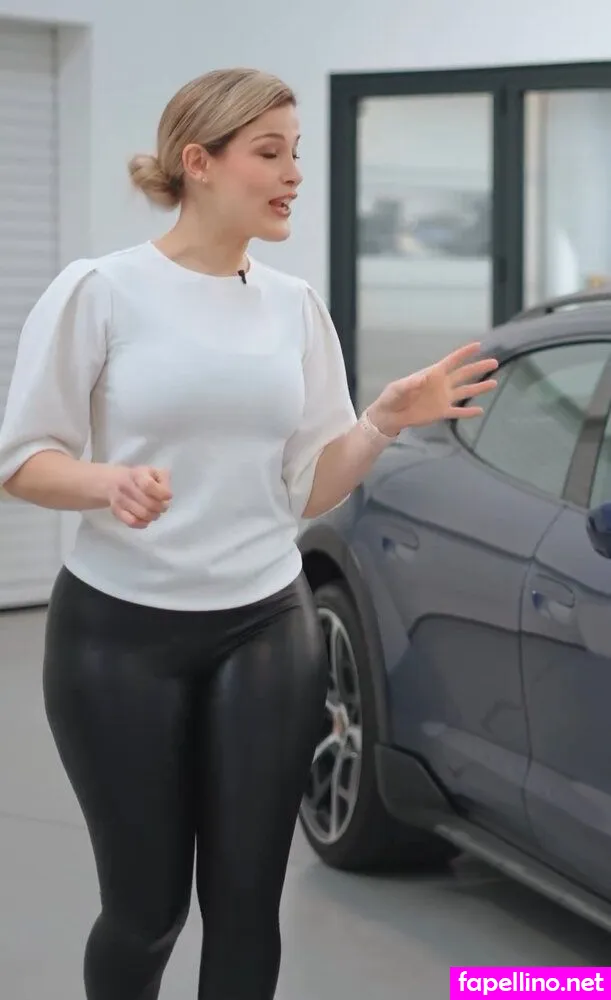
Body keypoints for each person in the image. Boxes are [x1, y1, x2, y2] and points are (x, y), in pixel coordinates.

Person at [0, 68, 498, 1000]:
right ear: (198, 162)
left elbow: (309, 488)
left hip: (265, 625)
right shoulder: (101, 291)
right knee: (146, 911)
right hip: (117, 634)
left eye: (294, 153)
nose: (293, 174)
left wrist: (383, 420)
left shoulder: (293, 306)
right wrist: (107, 481)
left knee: (245, 909)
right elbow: (21, 459)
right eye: (269, 153)